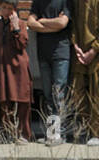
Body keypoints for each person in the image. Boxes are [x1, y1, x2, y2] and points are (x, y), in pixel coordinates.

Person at [26, 0, 71, 143]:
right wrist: (53, 25)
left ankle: (60, 133)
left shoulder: (65, 1)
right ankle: (51, 133)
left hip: (60, 53)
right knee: (47, 94)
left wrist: (43, 21)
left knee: (59, 93)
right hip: (43, 54)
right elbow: (31, 23)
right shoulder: (39, 2)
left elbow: (62, 23)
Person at [69, 0, 99, 143]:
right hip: (79, 55)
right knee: (78, 91)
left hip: (97, 55)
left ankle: (96, 133)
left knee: (96, 94)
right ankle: (85, 128)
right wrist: (76, 46)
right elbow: (74, 26)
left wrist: (94, 50)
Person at [0, 0, 32, 140]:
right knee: (5, 100)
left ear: (14, 10)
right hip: (3, 67)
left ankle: (24, 134)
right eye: (4, 8)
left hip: (18, 67)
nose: (6, 11)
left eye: (9, 8)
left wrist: (15, 28)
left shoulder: (20, 24)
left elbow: (22, 45)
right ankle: (9, 133)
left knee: (22, 100)